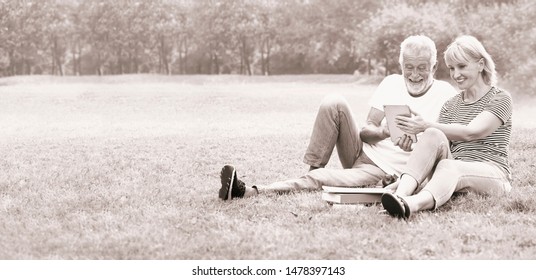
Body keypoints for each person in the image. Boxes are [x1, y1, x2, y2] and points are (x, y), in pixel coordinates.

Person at [219, 35, 458, 201]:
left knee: (322, 179)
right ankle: (314, 170)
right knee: (333, 101)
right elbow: (367, 130)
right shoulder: (391, 83)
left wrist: (414, 149)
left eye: (422, 68)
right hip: (360, 153)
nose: (414, 75)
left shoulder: (446, 95)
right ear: (401, 65)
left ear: (434, 67)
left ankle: (249, 191)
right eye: (409, 67)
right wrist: (386, 131)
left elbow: (446, 150)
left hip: (382, 172)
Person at [380, 35, 513, 219]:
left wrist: (425, 125)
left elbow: (471, 133)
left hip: (492, 173)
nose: (456, 74)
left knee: (449, 163)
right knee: (433, 134)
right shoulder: (450, 105)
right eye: (451, 68)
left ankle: (411, 204)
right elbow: (438, 148)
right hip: (452, 171)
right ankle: (400, 195)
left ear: (481, 64)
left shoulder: (500, 98)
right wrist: (406, 178)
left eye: (462, 66)